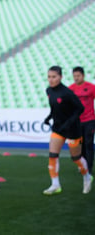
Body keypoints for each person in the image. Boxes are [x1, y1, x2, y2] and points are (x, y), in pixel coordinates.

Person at [43, 65, 92, 195]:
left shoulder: (67, 93)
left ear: (60, 77)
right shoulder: (48, 91)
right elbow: (55, 108)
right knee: (52, 156)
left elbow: (80, 108)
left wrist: (69, 122)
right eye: (49, 76)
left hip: (72, 129)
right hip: (58, 128)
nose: (51, 79)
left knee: (76, 158)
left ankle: (87, 177)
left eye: (54, 77)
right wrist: (48, 117)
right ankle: (55, 185)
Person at [69, 66, 95, 174]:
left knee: (88, 144)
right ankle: (83, 166)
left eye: (78, 76)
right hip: (77, 122)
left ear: (83, 76)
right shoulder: (70, 89)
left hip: (89, 120)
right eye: (74, 76)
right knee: (80, 145)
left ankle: (89, 168)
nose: (76, 78)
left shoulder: (91, 87)